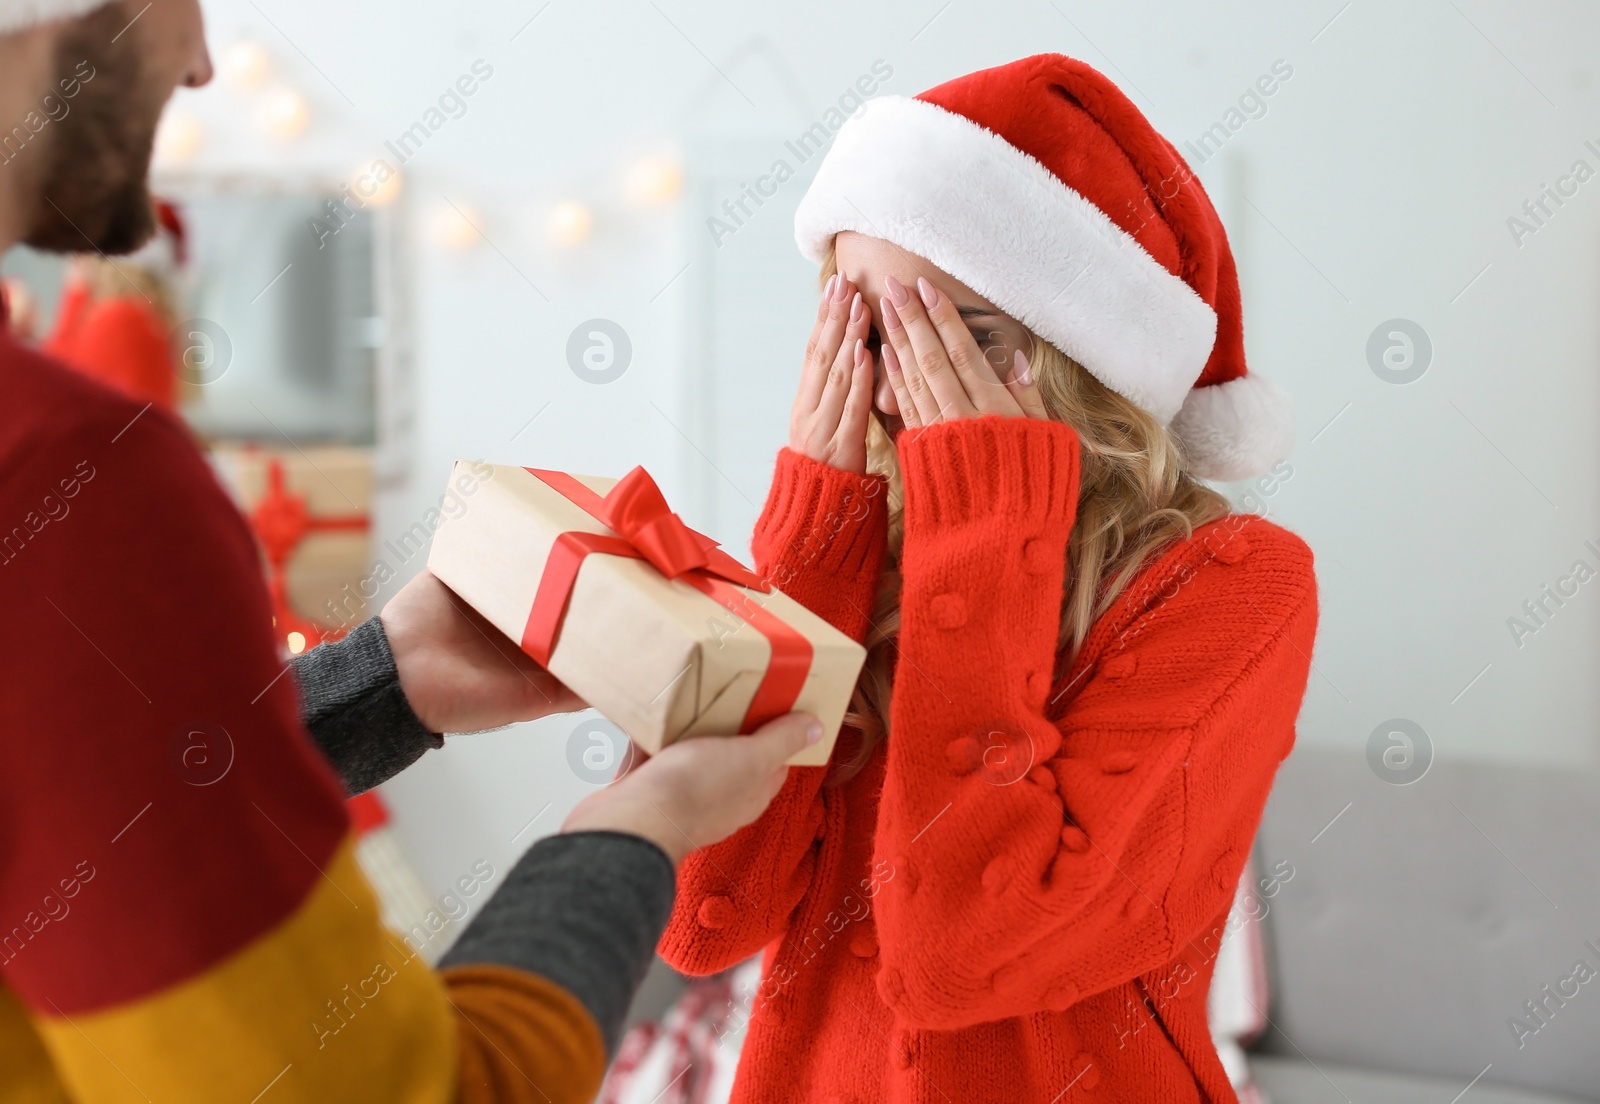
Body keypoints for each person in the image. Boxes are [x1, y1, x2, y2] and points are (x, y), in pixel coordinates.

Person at [0, 2, 817, 1102]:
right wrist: (636, 832)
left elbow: (61, 810)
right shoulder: (68, 476)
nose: (198, 63)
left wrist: (372, 688)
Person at [656, 54, 1320, 1103]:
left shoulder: (1236, 583)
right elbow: (702, 916)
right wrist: (807, 560)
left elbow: (959, 956)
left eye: (955, 338)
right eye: (860, 328)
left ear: (1083, 358)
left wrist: (986, 529)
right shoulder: (853, 555)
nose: (889, 385)